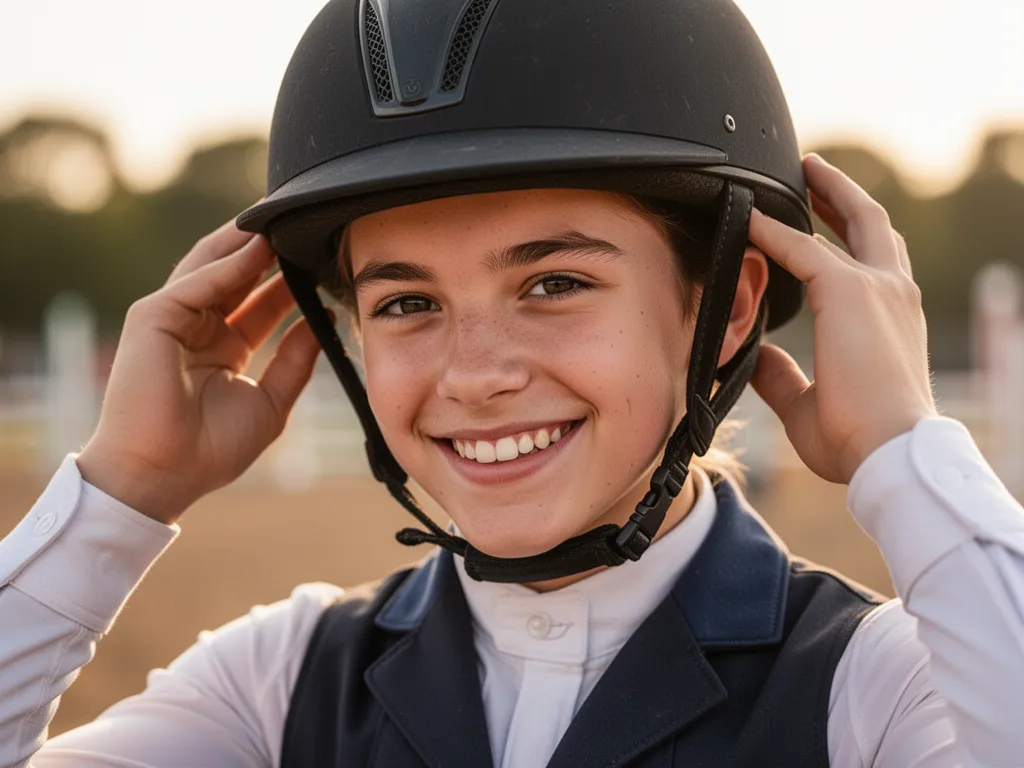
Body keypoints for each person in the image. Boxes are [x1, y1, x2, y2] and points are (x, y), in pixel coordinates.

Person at [2, 0, 1023, 766]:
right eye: (406, 303)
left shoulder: (870, 691)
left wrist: (902, 449)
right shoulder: (280, 683)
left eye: (554, 282)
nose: (476, 374)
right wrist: (121, 493)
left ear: (730, 307)